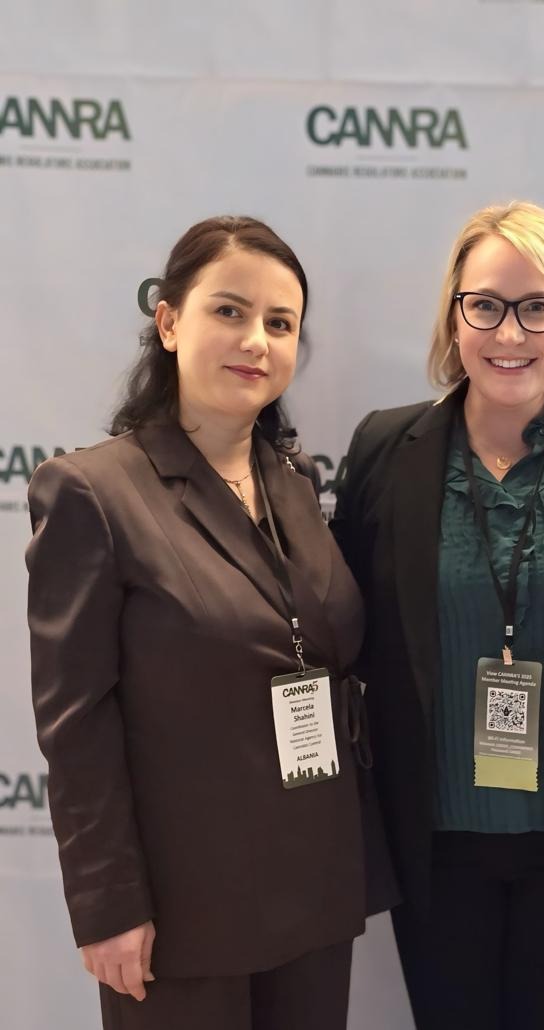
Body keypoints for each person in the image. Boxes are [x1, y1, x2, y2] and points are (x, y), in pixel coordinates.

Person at [26, 216, 379, 1030]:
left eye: (280, 324)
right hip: (182, 910)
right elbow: (76, 724)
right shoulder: (92, 493)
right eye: (230, 311)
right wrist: (108, 903)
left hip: (315, 886)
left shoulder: (295, 480)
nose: (256, 340)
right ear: (169, 321)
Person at [330, 201, 544, 1030]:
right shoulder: (384, 451)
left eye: (538, 307)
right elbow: (347, 627)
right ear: (454, 317)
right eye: (485, 304)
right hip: (436, 852)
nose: (509, 332)